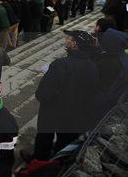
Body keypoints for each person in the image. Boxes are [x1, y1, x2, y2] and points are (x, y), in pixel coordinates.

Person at [31, 30, 99, 161]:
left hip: (53, 111)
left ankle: (38, 163)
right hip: (75, 112)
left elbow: (44, 93)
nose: (66, 39)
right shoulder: (92, 66)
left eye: (69, 38)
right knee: (64, 141)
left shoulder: (61, 64)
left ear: (74, 44)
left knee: (44, 139)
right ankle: (58, 162)